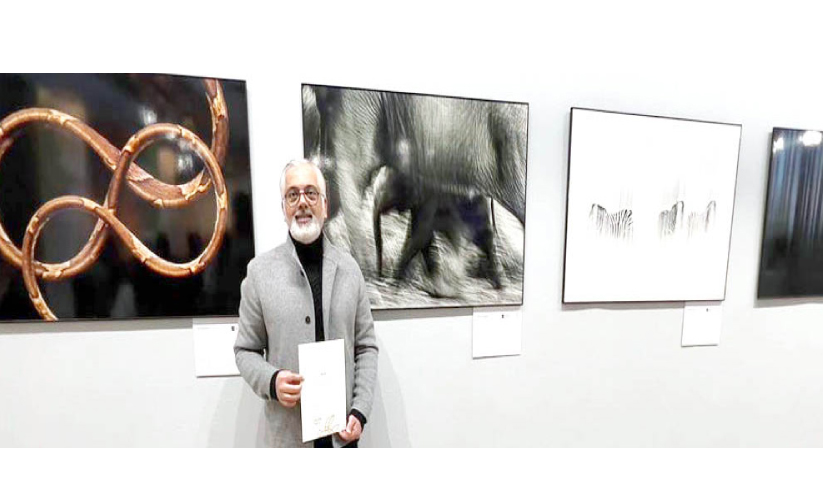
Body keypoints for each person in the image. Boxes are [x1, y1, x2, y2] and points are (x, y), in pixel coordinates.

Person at [234, 159, 378, 448]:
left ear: (325, 205)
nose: (302, 202)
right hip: (290, 439)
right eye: (292, 195)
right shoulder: (259, 273)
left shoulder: (350, 269)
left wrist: (360, 411)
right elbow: (245, 351)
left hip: (343, 438)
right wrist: (272, 381)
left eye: (311, 193)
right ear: (284, 208)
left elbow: (366, 346)